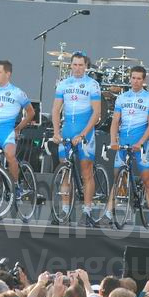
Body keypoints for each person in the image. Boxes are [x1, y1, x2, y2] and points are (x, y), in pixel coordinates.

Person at [104, 66, 149, 231]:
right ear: (130, 78)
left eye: (138, 78)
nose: (135, 81)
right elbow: (115, 122)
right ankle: (108, 214)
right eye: (133, 78)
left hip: (140, 145)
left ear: (144, 81)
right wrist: (113, 140)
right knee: (117, 180)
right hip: (123, 143)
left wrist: (141, 143)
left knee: (147, 181)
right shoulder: (122, 97)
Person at [51, 51, 101, 227]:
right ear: (70, 65)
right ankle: (65, 211)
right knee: (65, 172)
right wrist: (56, 132)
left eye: (81, 65)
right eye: (75, 65)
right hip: (67, 132)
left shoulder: (92, 85)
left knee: (86, 173)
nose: (78, 68)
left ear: (86, 66)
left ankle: (87, 212)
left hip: (85, 133)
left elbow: (96, 113)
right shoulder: (63, 84)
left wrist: (83, 134)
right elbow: (56, 110)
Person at [0, 60, 36, 211]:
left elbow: (31, 112)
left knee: (10, 155)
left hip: (7, 132)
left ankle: (16, 185)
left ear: (8, 74)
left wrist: (19, 127)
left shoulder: (18, 92)